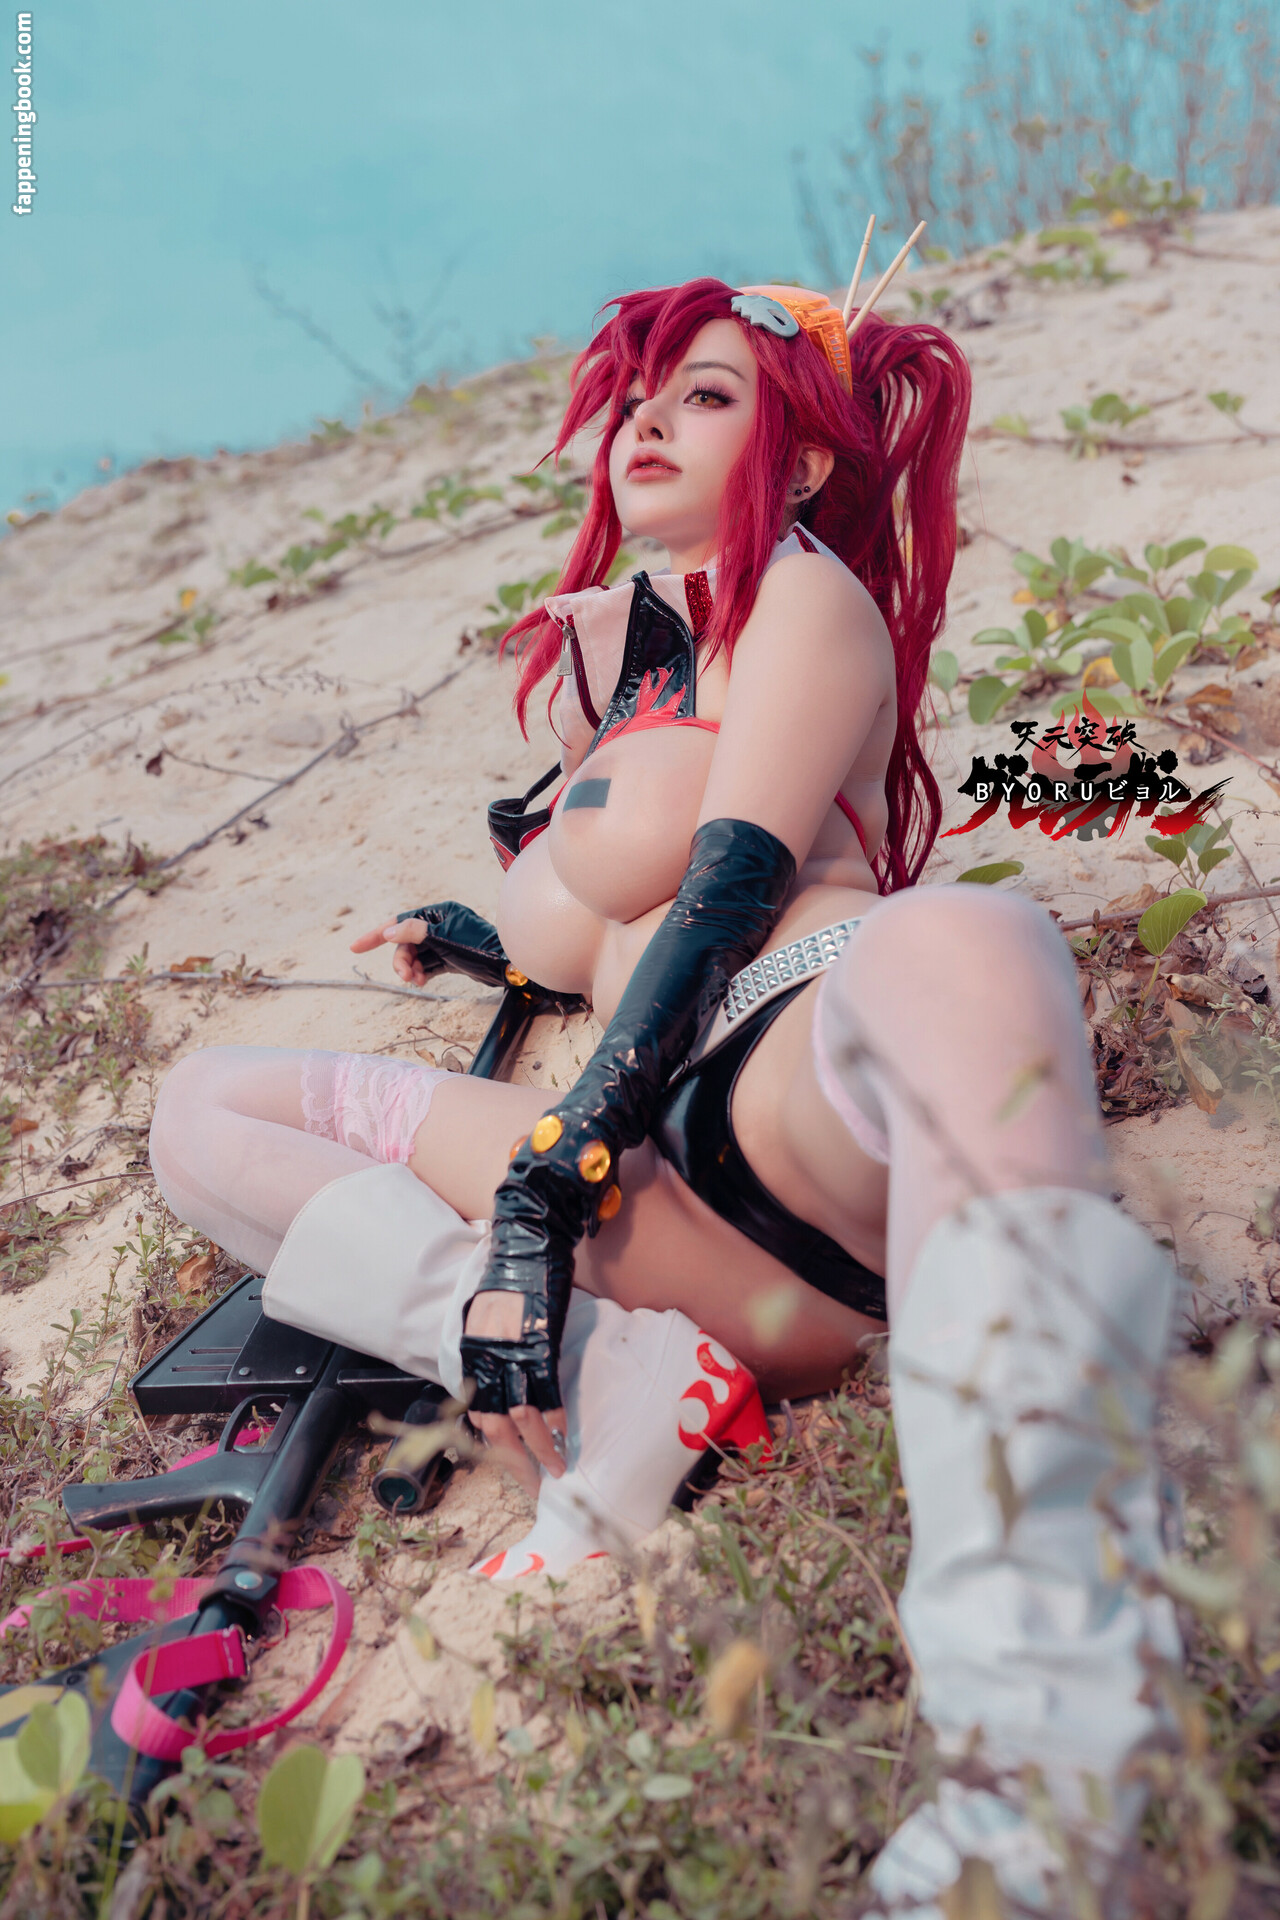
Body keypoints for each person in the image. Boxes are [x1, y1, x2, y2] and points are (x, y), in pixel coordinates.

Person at [148, 276, 1179, 1913]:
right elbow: (586, 933)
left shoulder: (804, 600)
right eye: (639, 396)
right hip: (680, 1216)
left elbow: (727, 890)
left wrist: (544, 1185)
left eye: (708, 395)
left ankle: (1049, 1776)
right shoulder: (633, 674)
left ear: (802, 454)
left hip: (799, 1074)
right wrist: (474, 929)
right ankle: (622, 1382)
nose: (650, 421)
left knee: (968, 939)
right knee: (202, 1111)